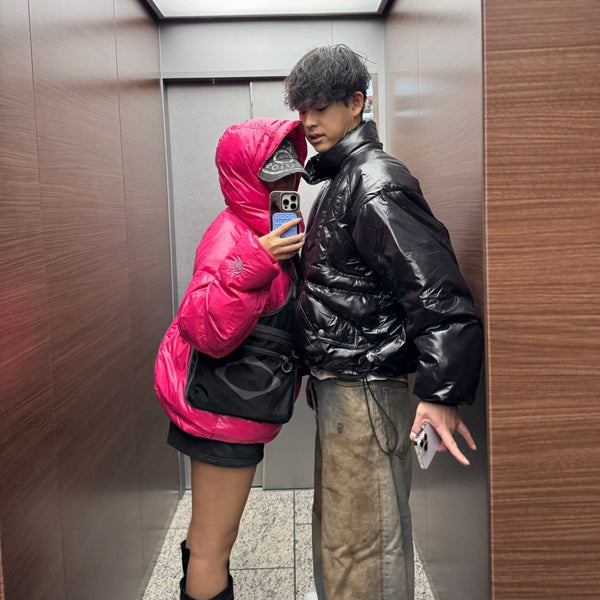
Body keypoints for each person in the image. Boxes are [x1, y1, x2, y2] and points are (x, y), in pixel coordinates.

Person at [284, 44, 484, 600]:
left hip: (367, 390)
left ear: (356, 103)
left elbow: (435, 288)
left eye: (321, 107)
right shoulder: (342, 179)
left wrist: (442, 391)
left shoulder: (374, 182)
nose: (309, 122)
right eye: (302, 109)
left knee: (364, 543)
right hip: (346, 386)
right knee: (345, 534)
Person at [154, 118, 307, 600]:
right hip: (219, 410)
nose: (287, 185)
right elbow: (203, 328)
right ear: (243, 176)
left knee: (211, 536)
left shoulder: (268, 231)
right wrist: (257, 261)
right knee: (212, 547)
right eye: (274, 177)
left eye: (292, 175)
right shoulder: (233, 237)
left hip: (233, 405)